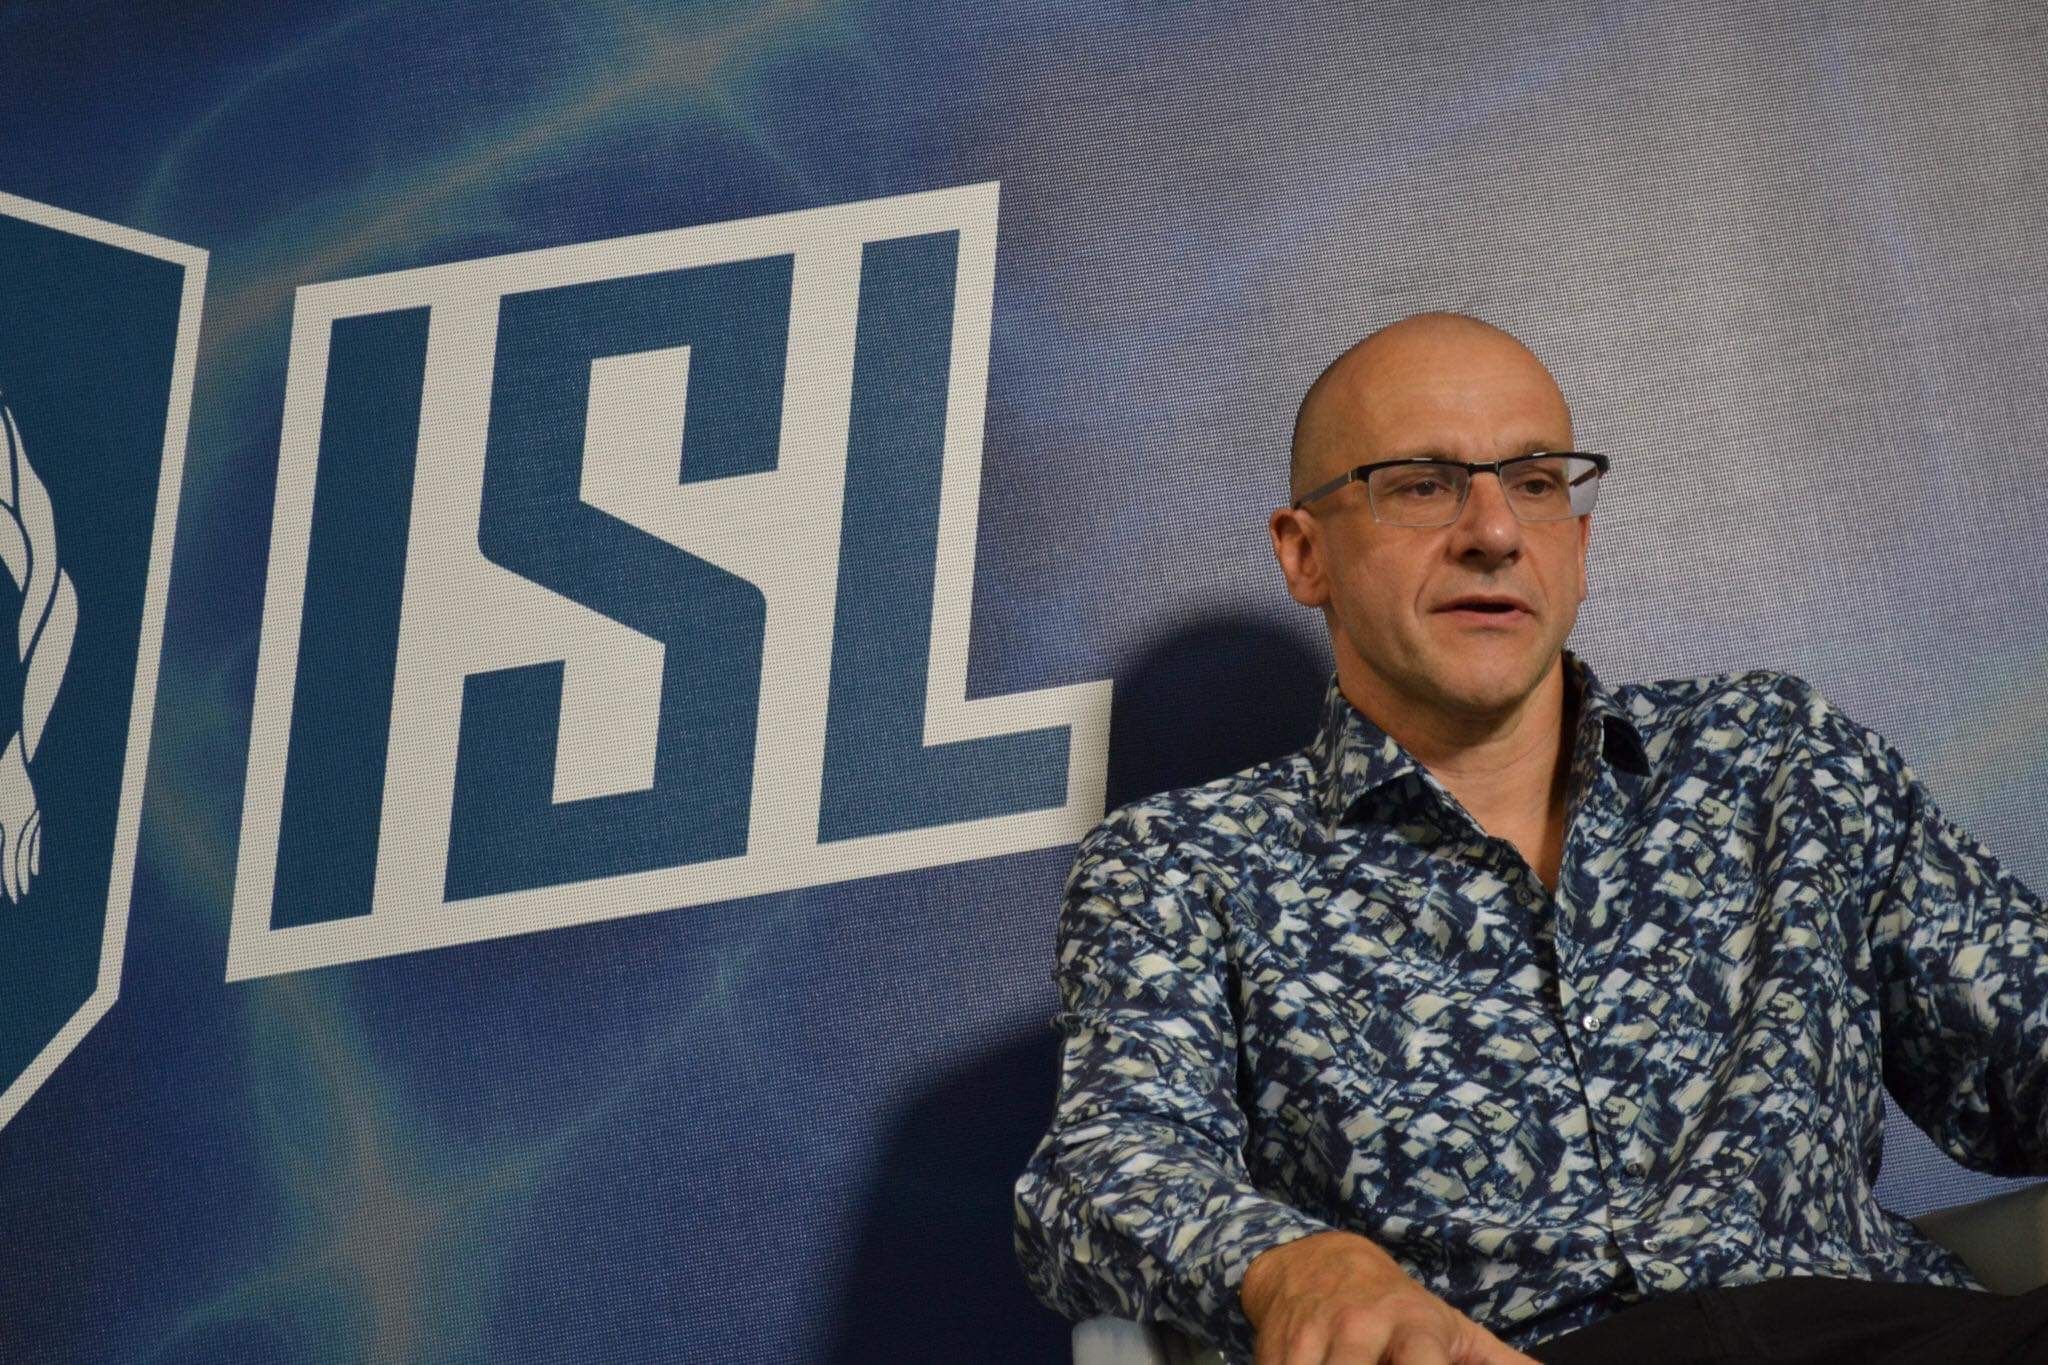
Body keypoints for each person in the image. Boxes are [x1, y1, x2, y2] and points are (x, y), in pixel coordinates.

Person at [1012, 313, 2048, 1364]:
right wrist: (1297, 1266)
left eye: (1537, 483)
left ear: (1578, 545)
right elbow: (1102, 1173)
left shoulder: (1773, 755)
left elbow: (2025, 1036)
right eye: (1421, 485)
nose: (1494, 531)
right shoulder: (1184, 863)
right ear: (1304, 552)